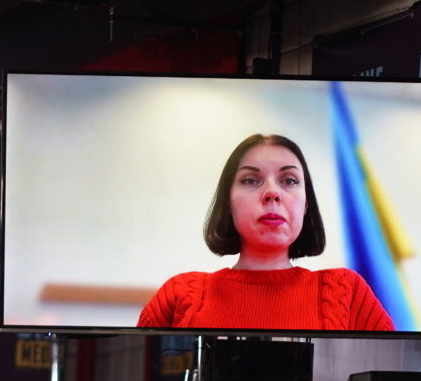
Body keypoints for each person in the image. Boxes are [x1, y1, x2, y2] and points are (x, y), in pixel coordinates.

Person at [138, 134, 394, 332]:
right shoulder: (178, 294)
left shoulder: (347, 293)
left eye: (289, 180)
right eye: (251, 180)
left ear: (306, 204)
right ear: (228, 202)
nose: (272, 193)